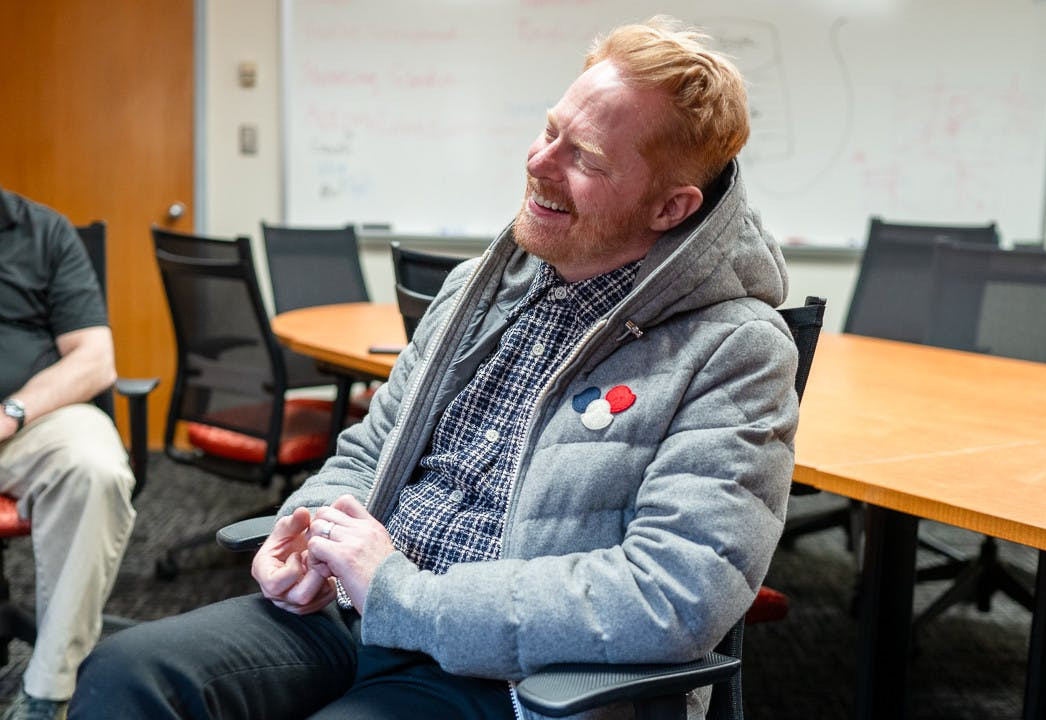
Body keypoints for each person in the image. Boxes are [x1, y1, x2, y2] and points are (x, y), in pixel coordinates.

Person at [71, 16, 798, 720]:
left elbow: (671, 595)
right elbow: (369, 447)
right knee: (125, 675)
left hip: (499, 671)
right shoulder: (481, 286)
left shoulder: (734, 350)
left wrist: (402, 594)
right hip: (358, 611)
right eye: (550, 131)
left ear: (670, 208)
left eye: (586, 158)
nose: (540, 162)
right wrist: (304, 529)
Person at [0, 188, 137, 720]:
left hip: (30, 419)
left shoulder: (44, 231)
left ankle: (47, 693)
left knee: (94, 469)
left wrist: (12, 412)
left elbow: (95, 359)